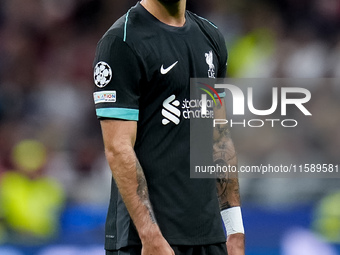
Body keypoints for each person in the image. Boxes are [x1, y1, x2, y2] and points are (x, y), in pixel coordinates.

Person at [92, 0, 245, 254]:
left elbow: (218, 138)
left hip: (209, 238)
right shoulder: (121, 41)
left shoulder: (210, 37)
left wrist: (235, 229)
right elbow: (118, 148)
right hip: (146, 242)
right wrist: (150, 235)